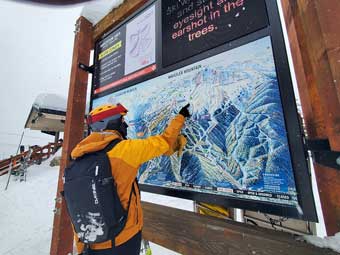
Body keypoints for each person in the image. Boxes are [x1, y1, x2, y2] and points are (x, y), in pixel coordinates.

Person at [71, 103, 191, 255]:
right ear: (111, 123)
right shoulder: (124, 150)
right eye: (121, 120)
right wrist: (180, 117)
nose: (125, 124)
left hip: (90, 243)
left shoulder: (79, 157)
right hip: (122, 240)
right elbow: (164, 143)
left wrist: (82, 248)